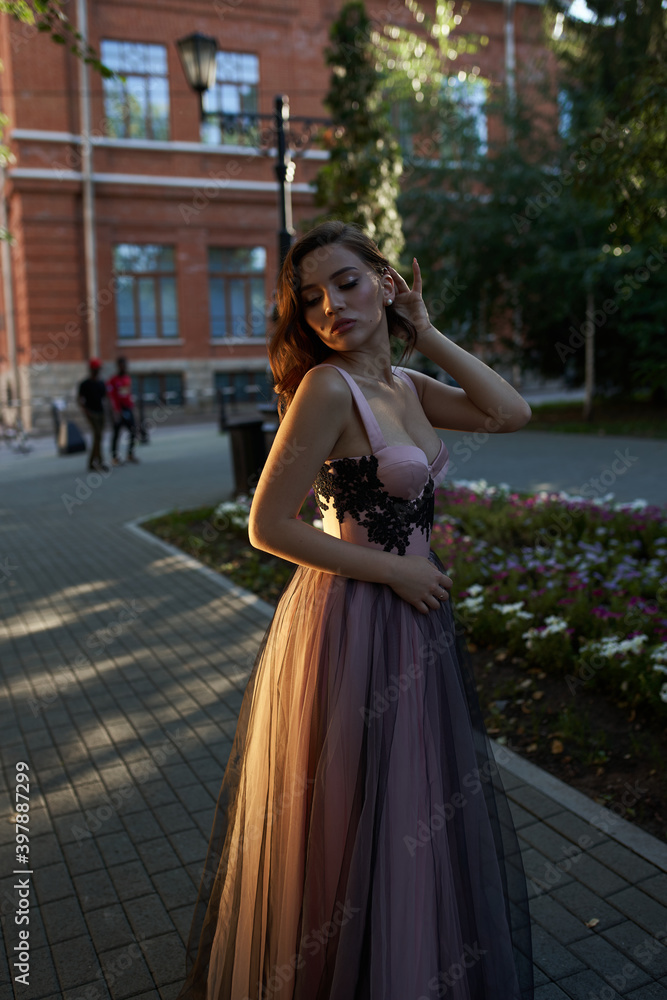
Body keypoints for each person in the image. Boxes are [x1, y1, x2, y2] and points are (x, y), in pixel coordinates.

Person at [177, 221, 535, 1000]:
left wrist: (428, 334)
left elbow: (510, 413)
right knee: (354, 805)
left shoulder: (402, 387)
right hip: (352, 623)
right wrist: (391, 574)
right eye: (309, 299)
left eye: (346, 282)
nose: (329, 307)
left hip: (415, 619)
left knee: (414, 802)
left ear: (385, 280)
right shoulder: (326, 388)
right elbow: (268, 525)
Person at [77, 358, 108, 472]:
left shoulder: (101, 383)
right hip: (92, 413)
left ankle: (92, 462)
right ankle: (100, 462)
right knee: (98, 436)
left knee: (99, 437)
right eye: (95, 369)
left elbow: (105, 398)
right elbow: (80, 399)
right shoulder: (85, 384)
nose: (97, 371)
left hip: (101, 413)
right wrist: (86, 411)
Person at [107, 356, 139, 465]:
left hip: (128, 409)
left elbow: (127, 395)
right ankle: (115, 457)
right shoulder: (113, 380)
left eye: (125, 365)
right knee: (116, 434)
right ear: (118, 366)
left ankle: (130, 454)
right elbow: (111, 397)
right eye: (122, 365)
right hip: (118, 410)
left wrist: (132, 408)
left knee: (133, 431)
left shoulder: (127, 379)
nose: (124, 367)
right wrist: (115, 411)